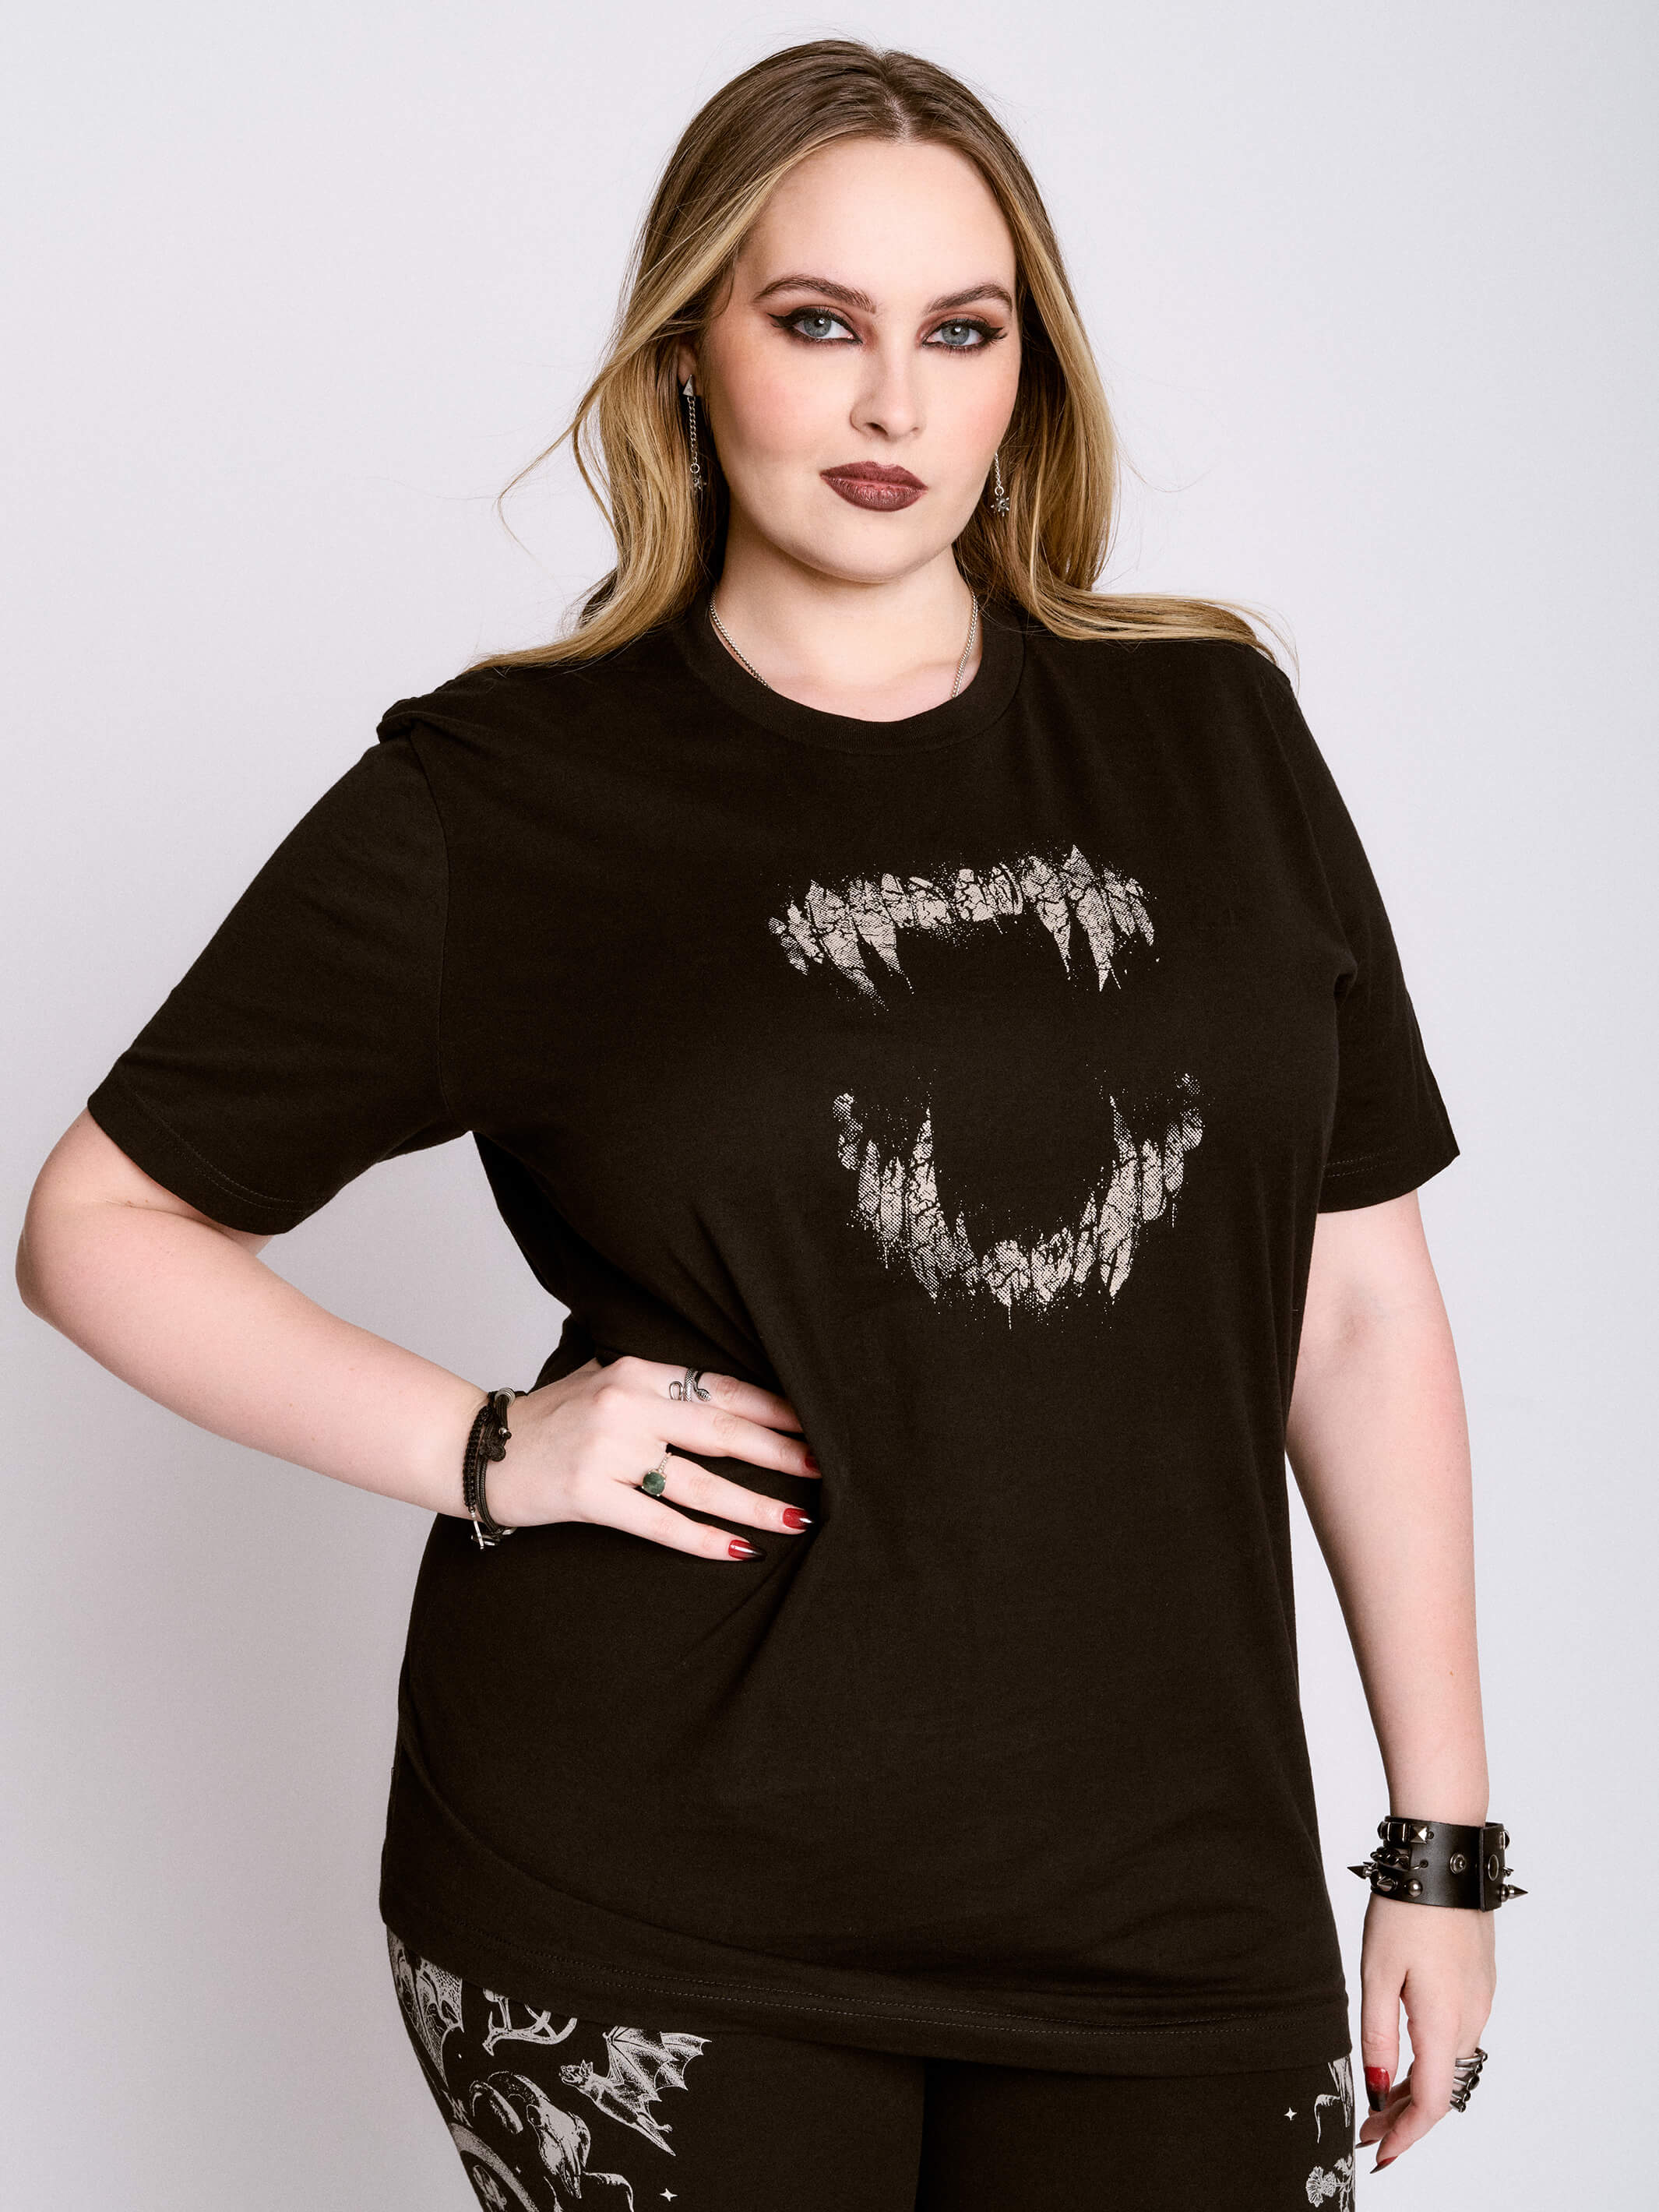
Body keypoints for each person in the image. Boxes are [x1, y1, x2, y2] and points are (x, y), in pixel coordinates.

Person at [15, 37, 1517, 2211]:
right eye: (818, 322)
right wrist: (486, 1448)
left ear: (1025, 378)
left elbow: (1352, 1306)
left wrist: (1439, 1843)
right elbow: (100, 1221)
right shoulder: (509, 797)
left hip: (1169, 1905)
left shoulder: (1213, 732)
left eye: (960, 332)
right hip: (652, 1901)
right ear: (689, 354)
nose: (892, 402)